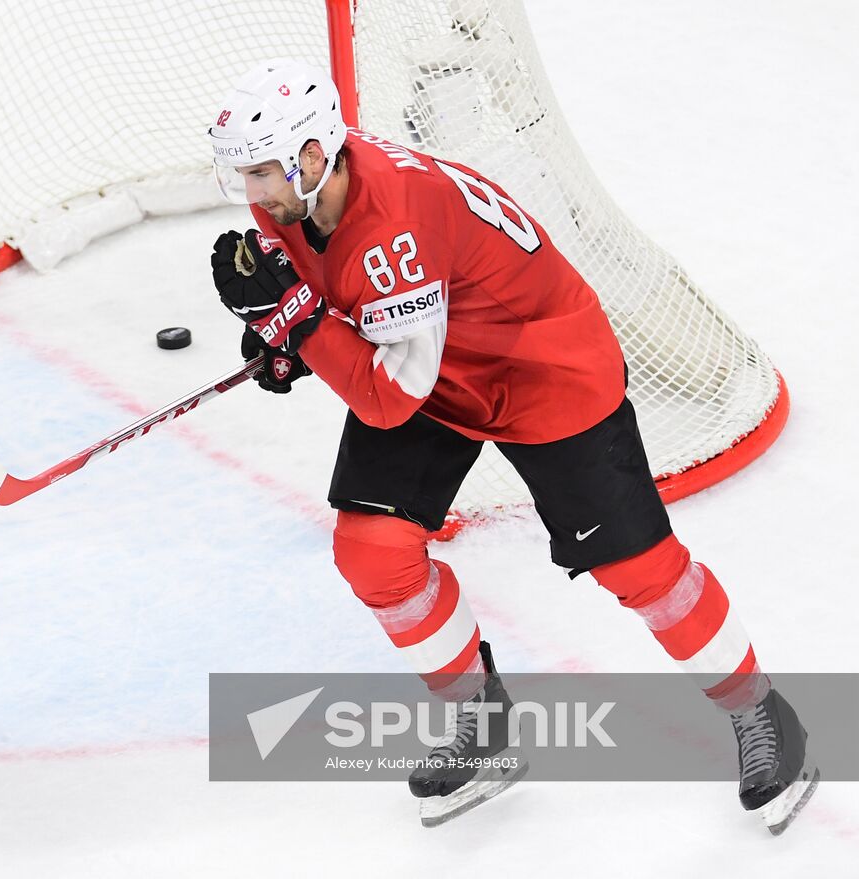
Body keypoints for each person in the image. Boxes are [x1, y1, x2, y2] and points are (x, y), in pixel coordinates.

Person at [206, 58, 817, 831]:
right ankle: (481, 720)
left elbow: (388, 397)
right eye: (244, 177)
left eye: (263, 174)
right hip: (431, 360)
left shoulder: (392, 220)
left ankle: (762, 711)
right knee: (372, 550)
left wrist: (297, 323)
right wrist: (289, 334)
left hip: (542, 368)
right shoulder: (297, 198)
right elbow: (347, 312)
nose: (254, 197)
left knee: (641, 570)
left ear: (315, 155)